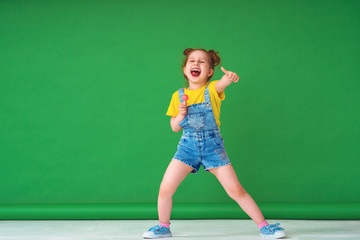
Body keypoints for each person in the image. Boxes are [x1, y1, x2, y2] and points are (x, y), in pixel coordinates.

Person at [143, 48, 286, 239]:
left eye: (202, 62)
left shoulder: (212, 89)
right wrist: (181, 114)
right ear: (185, 69)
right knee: (165, 188)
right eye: (191, 61)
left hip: (213, 148)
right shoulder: (177, 95)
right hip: (187, 148)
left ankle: (264, 226)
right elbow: (175, 128)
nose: (196, 64)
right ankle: (163, 226)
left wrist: (230, 77)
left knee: (236, 190)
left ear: (210, 71)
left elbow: (223, 83)